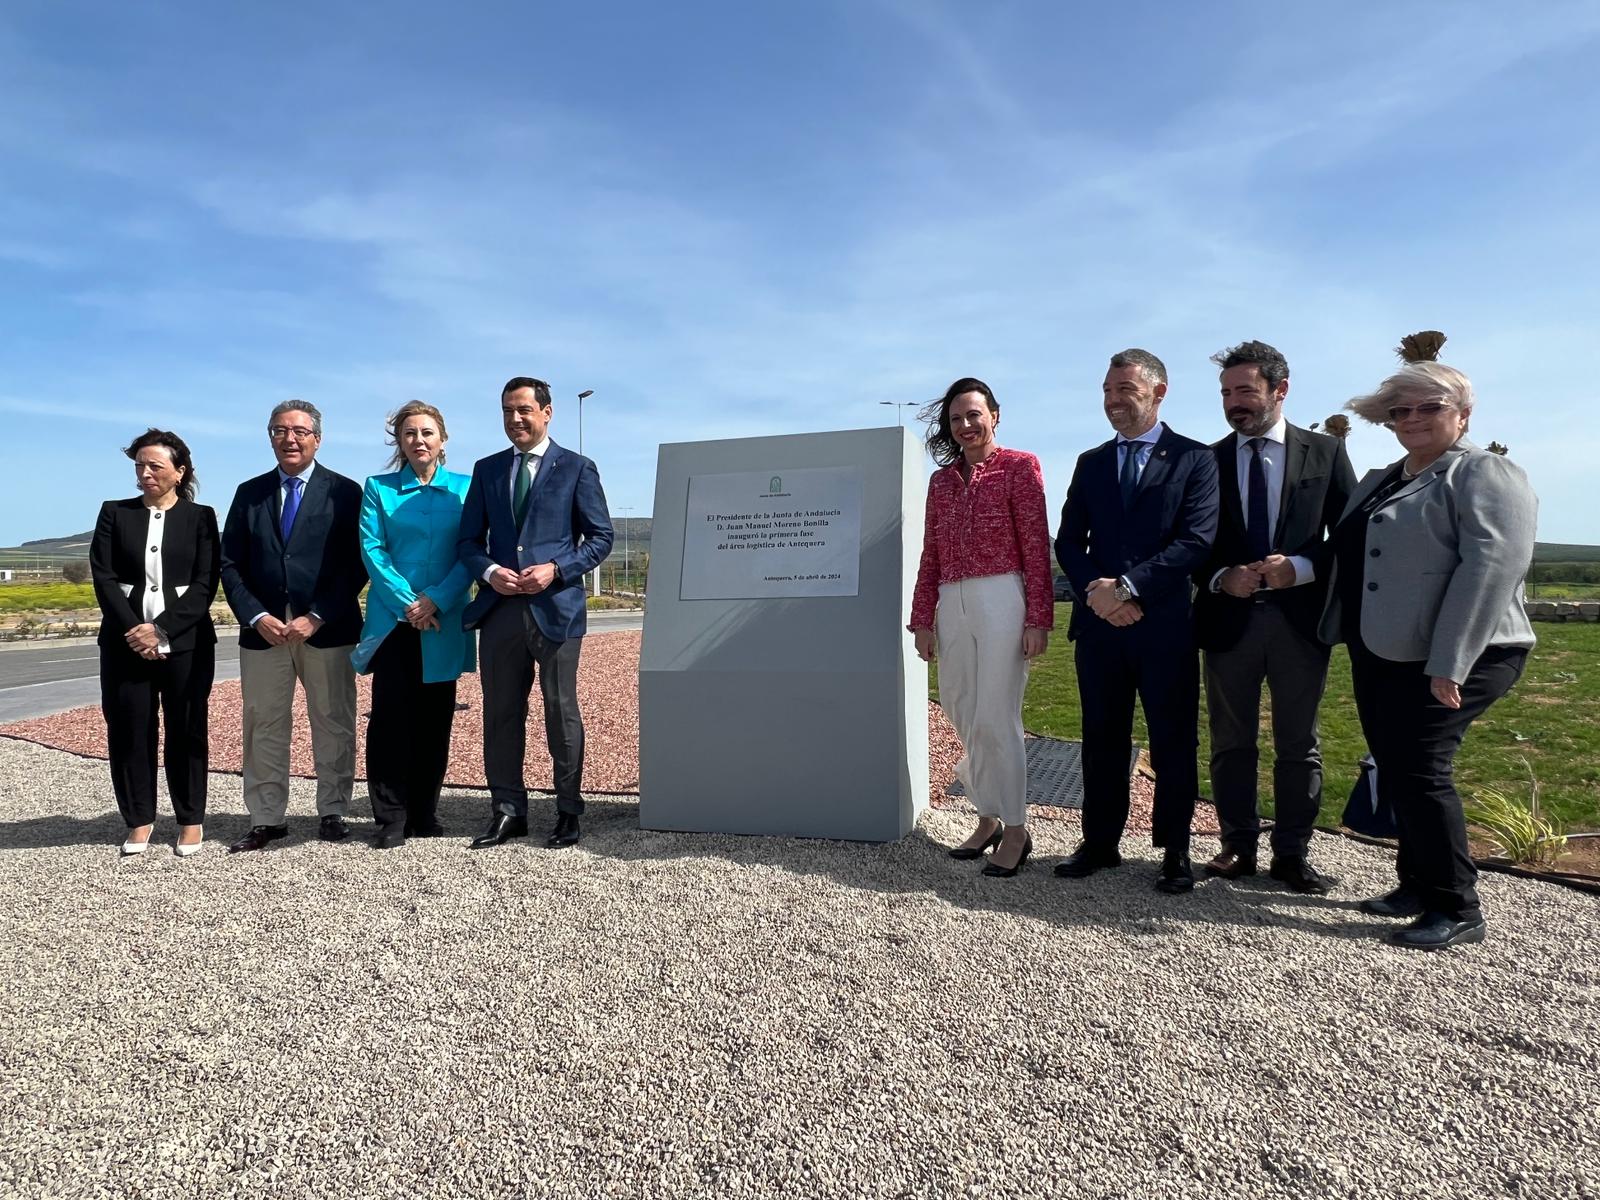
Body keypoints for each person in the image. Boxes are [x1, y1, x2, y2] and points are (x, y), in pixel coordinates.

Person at [1321, 333, 1536, 950]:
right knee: (1398, 765)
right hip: (1384, 648)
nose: (1412, 419)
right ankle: (1415, 883)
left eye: (1430, 407)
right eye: (1400, 411)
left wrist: (1451, 664)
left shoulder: (1484, 473)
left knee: (1421, 767)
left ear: (1463, 415)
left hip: (1466, 651)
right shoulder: (1382, 479)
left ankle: (1456, 905)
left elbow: (1490, 567)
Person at [1192, 341, 1356, 893]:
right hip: (1228, 623)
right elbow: (1189, 543)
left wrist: (1304, 568)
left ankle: (1291, 853)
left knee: (1298, 743)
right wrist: (1220, 578)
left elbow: (1353, 538)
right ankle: (1236, 847)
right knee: (1230, 740)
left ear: (1279, 390)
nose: (1233, 403)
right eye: (1225, 393)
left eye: (1245, 390)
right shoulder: (1206, 460)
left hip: (1298, 623)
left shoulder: (1326, 454)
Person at [1054, 349, 1219, 893]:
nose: (1112, 401)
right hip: (1099, 628)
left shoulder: (1194, 460)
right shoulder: (1091, 462)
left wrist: (1127, 588)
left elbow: (1195, 541)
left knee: (1173, 741)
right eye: (1106, 390)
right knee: (1101, 738)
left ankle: (1175, 850)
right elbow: (1069, 543)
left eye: (1124, 389)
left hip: (1163, 626)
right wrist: (1099, 595)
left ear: (1158, 392)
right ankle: (1100, 842)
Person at [458, 377, 613, 850]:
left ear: (548, 412)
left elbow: (601, 538)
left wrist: (556, 569)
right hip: (501, 610)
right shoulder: (486, 470)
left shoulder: (577, 468)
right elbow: (467, 542)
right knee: (501, 713)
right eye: (507, 411)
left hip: (556, 611)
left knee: (560, 710)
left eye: (524, 409)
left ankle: (568, 811)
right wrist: (488, 572)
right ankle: (508, 810)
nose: (515, 419)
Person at [908, 378, 1054, 877]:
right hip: (952, 598)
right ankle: (987, 816)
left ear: (994, 415)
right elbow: (931, 552)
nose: (966, 425)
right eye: (956, 419)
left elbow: (1036, 546)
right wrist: (922, 617)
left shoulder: (1020, 467)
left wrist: (1038, 617)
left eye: (974, 415)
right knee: (963, 709)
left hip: (1002, 597)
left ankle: (1016, 829)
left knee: (996, 714)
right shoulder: (941, 482)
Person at [220, 400, 367, 852]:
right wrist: (257, 615)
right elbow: (229, 562)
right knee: (263, 723)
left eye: (300, 431)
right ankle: (267, 817)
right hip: (263, 633)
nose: (290, 438)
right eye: (280, 430)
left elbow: (356, 563)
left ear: (317, 439)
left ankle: (333, 810)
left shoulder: (345, 492)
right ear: (270, 437)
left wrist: (316, 615)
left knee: (334, 721)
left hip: (326, 629)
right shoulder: (250, 493)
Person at [89, 429, 220, 857]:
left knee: (186, 731)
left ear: (179, 472)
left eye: (154, 466)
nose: (144, 474)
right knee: (129, 730)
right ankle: (140, 819)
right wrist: (136, 630)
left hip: (187, 643)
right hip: (124, 643)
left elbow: (205, 585)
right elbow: (104, 577)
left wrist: (161, 629)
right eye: (139, 466)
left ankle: (189, 820)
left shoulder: (202, 518)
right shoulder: (114, 513)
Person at [352, 401, 476, 850]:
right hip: (394, 622)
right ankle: (389, 816)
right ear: (398, 442)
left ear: (442, 439)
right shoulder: (378, 489)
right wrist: (410, 603)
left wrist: (436, 600)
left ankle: (424, 812)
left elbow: (472, 552)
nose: (418, 440)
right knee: (388, 720)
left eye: (426, 432)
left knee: (434, 720)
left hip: (444, 620)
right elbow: (372, 549)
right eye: (409, 434)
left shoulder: (466, 489)